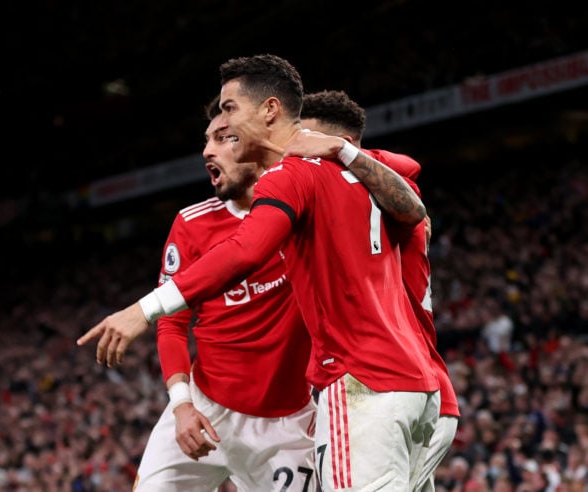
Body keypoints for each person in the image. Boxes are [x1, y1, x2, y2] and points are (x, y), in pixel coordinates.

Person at [78, 54, 440, 490]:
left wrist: (141, 310)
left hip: (324, 402)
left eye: (227, 117)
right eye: (209, 136)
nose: (214, 143)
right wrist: (181, 404)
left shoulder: (299, 179)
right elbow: (413, 201)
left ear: (269, 111)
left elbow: (246, 250)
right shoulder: (199, 221)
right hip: (219, 406)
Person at [133, 96, 317, 492]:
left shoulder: (304, 209)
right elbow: (172, 323)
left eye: (224, 138)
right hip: (203, 410)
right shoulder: (191, 223)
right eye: (207, 140)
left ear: (255, 144)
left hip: (287, 427)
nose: (207, 151)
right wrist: (182, 406)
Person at [296, 89, 461, 491]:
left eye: (308, 142)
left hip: (377, 380)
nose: (300, 154)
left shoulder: (365, 199)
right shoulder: (386, 194)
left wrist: (334, 149)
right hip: (427, 389)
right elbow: (407, 163)